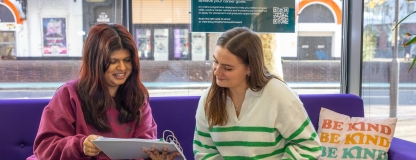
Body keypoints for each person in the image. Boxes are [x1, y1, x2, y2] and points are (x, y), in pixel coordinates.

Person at [27, 23, 178, 160]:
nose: (122, 68)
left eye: (127, 60)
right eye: (113, 62)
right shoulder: (69, 94)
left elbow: (145, 145)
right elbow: (44, 147)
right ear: (96, 63)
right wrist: (80, 145)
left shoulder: (137, 98)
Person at [193, 27, 322, 159]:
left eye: (228, 68)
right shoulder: (208, 98)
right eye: (215, 61)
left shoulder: (278, 94)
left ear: (249, 68)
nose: (217, 72)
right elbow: (204, 152)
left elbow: (309, 147)